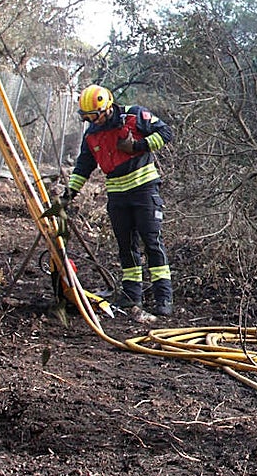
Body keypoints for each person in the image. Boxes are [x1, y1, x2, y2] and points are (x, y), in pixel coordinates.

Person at [63, 84, 176, 316]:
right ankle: (131, 296)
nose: (93, 121)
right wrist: (69, 194)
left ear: (107, 107)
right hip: (117, 194)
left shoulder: (134, 116)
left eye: (95, 116)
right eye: (87, 118)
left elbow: (166, 133)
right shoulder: (92, 134)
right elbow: (84, 166)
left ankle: (163, 298)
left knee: (152, 243)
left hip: (144, 190)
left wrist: (138, 146)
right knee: (126, 246)